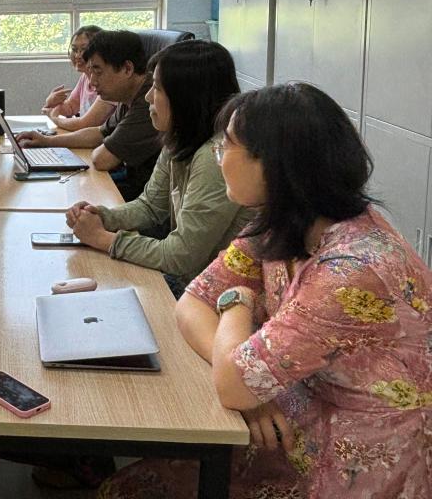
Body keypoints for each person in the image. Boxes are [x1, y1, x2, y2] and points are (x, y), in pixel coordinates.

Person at [101, 83, 432, 499]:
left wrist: (236, 304)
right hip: (293, 417)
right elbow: (191, 305)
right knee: (131, 486)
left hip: (361, 457)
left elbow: (232, 378)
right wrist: (251, 388)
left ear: (273, 163)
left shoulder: (352, 271)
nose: (219, 157)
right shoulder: (283, 222)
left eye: (227, 146)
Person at [66, 40, 253, 293]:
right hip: (195, 283)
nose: (147, 97)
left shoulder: (215, 157)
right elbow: (150, 206)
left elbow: (181, 256)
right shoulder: (179, 139)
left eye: (157, 88)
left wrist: (103, 238)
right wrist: (102, 216)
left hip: (214, 294)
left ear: (185, 97)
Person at [18, 29, 161, 200]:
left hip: (143, 196)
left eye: (98, 71)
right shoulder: (127, 96)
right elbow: (98, 133)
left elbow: (102, 159)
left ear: (127, 68)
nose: (92, 81)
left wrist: (99, 148)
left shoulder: (150, 101)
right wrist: (46, 141)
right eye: (90, 72)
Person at [42, 25, 114, 131]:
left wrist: (54, 118)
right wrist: (51, 103)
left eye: (84, 49)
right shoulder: (85, 77)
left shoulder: (110, 83)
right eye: (74, 49)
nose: (77, 56)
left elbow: (84, 124)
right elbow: (71, 107)